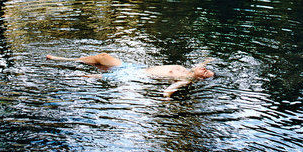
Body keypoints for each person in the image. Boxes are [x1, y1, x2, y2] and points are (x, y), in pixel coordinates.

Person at [45, 53, 214, 97]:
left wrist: (167, 96)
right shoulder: (190, 69)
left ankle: (60, 79)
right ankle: (65, 59)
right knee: (102, 57)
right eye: (205, 69)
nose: (205, 70)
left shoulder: (186, 79)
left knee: (90, 78)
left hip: (135, 76)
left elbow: (171, 88)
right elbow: (202, 64)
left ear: (199, 78)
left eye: (205, 73)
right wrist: (207, 62)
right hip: (134, 68)